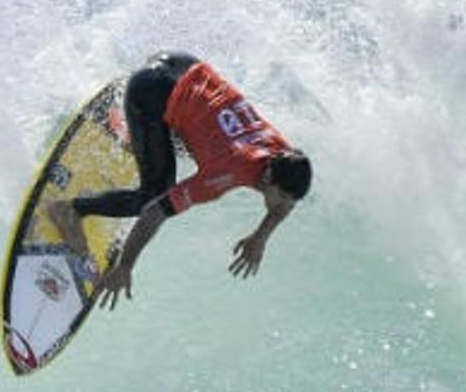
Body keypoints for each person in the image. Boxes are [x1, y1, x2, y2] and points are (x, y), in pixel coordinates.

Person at [48, 52, 311, 310]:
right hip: (150, 91)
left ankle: (128, 128)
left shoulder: (281, 152)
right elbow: (155, 211)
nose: (285, 205)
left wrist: (260, 237)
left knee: (197, 143)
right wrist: (125, 267)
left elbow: (284, 204)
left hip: (179, 65)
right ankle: (70, 210)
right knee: (154, 194)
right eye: (284, 197)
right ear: (267, 177)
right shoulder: (229, 171)